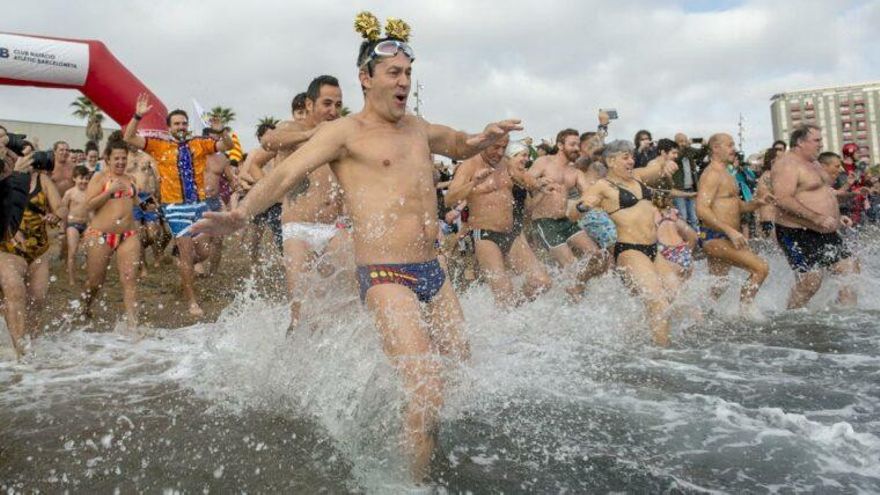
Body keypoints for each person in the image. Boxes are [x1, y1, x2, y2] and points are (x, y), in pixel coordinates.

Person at [193, 11, 520, 480]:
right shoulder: (344, 133)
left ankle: (408, 433)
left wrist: (482, 137)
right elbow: (287, 172)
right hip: (388, 275)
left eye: (408, 72)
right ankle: (408, 484)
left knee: (458, 372)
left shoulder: (417, 126)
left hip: (434, 271)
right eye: (394, 73)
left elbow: (457, 141)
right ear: (366, 79)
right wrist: (242, 213)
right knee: (426, 388)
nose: (404, 81)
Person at [123, 95, 234, 316]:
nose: (181, 126)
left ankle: (182, 264)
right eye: (177, 123)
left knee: (203, 252)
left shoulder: (199, 144)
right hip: (174, 207)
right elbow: (129, 137)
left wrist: (221, 130)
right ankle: (192, 300)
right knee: (186, 253)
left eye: (184, 123)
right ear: (169, 127)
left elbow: (227, 145)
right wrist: (137, 116)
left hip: (199, 205)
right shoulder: (158, 145)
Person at [259, 75, 349, 331]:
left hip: (336, 227)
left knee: (350, 295)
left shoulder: (341, 133)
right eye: (327, 103)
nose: (333, 111)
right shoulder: (293, 129)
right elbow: (268, 142)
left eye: (338, 105)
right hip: (299, 228)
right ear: (309, 105)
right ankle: (295, 355)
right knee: (301, 306)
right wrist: (311, 135)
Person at [577, 140, 679, 345]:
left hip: (653, 249)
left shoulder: (638, 177)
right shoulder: (603, 186)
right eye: (626, 157)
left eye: (632, 156)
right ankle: (665, 355)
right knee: (657, 301)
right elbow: (580, 205)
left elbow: (656, 167)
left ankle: (642, 337)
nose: (631, 160)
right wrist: (584, 206)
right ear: (611, 161)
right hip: (630, 250)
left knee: (675, 297)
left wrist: (665, 164)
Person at [445, 136, 551, 306]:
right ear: (484, 143)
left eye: (504, 147)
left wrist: (538, 184)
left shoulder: (504, 164)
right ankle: (506, 318)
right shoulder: (469, 165)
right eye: (496, 147)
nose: (500, 152)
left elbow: (523, 177)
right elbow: (449, 199)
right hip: (486, 235)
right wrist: (474, 183)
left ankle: (519, 313)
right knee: (504, 295)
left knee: (542, 282)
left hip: (513, 233)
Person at [771, 124, 859, 308]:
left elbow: (822, 192)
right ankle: (790, 318)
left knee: (850, 270)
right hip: (796, 230)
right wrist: (816, 217)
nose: (821, 144)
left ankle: (847, 317)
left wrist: (836, 214)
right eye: (816, 140)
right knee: (811, 281)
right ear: (801, 142)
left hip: (824, 229)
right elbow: (782, 199)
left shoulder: (814, 163)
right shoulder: (787, 164)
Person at [527, 128, 606, 298]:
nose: (576, 148)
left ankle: (575, 289)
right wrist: (538, 182)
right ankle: (573, 300)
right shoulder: (544, 162)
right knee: (571, 265)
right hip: (544, 223)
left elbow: (589, 193)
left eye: (578, 144)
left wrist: (598, 195)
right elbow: (525, 180)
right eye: (572, 144)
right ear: (560, 145)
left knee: (598, 257)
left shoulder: (575, 172)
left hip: (565, 221)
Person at [696, 133, 769, 312]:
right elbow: (701, 209)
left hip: (724, 235)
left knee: (718, 286)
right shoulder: (711, 174)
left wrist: (756, 203)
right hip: (716, 237)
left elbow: (736, 207)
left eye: (733, 145)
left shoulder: (726, 173)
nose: (734, 149)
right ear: (715, 148)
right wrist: (730, 231)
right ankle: (746, 314)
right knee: (760, 268)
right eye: (729, 145)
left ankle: (697, 316)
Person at [0, 153, 63, 358]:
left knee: (37, 298)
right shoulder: (5, 179)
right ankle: (17, 347)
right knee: (15, 291)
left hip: (38, 249)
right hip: (9, 249)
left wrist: (56, 215)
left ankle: (30, 341)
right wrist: (8, 227)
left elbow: (60, 206)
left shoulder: (42, 180)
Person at [80, 140, 141, 331]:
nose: (121, 162)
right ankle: (86, 306)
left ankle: (133, 324)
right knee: (95, 282)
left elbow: (135, 201)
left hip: (128, 234)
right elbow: (89, 204)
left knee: (130, 278)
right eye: (117, 158)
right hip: (101, 234)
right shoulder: (99, 177)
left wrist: (147, 204)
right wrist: (110, 192)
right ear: (108, 159)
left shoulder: (131, 178)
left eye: (124, 158)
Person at [129, 149, 164, 272]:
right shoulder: (124, 157)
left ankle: (157, 254)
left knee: (153, 235)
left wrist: (158, 196)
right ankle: (143, 266)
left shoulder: (146, 157)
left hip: (148, 197)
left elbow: (157, 176)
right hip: (133, 199)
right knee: (138, 236)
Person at [61, 165, 92, 286]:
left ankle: (90, 277)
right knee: (73, 252)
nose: (84, 181)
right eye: (81, 178)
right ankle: (71, 279)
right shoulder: (70, 193)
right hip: (72, 224)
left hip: (86, 224)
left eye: (86, 178)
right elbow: (62, 209)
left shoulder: (90, 192)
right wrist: (62, 227)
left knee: (90, 251)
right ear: (74, 178)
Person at [672, 133, 702, 230]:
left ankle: (696, 241)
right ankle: (683, 242)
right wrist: (685, 147)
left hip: (691, 189)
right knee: (682, 217)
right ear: (675, 143)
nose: (684, 143)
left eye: (685, 141)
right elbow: (678, 157)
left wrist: (704, 145)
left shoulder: (689, 152)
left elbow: (701, 153)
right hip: (679, 191)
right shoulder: (674, 154)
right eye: (681, 141)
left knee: (694, 218)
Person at [755, 147, 780, 238]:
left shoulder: (767, 174)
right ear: (773, 161)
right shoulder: (769, 175)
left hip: (767, 219)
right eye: (781, 158)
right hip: (770, 219)